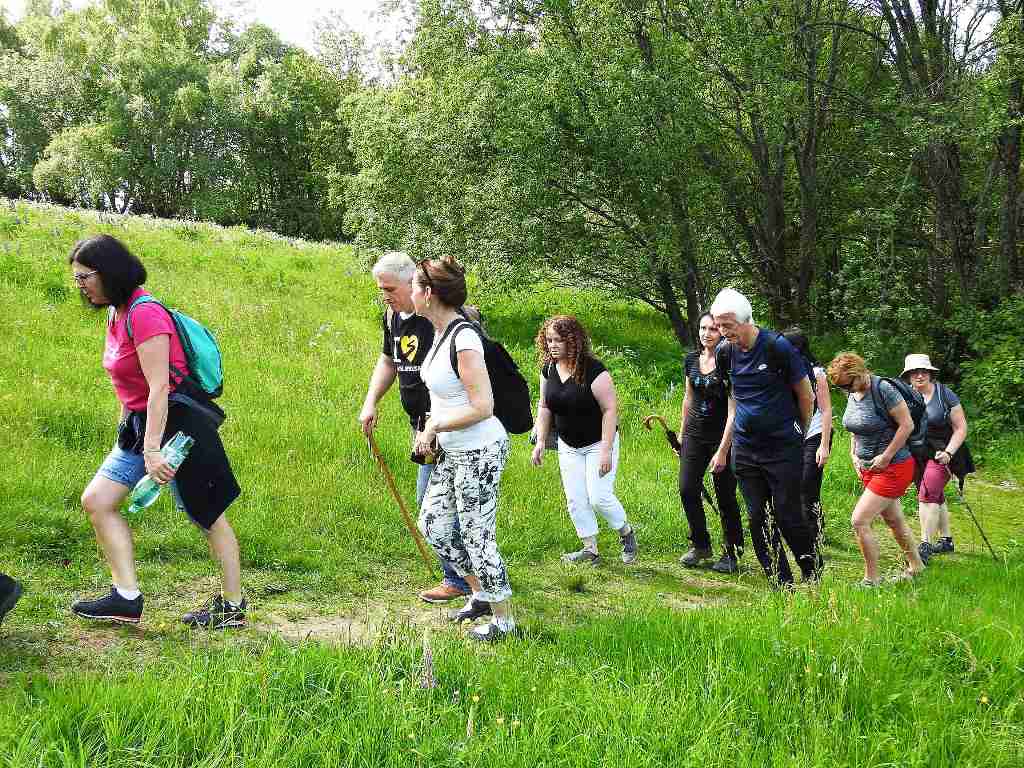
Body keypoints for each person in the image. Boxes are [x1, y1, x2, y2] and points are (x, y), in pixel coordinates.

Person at [69, 235, 245, 628]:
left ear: (109, 273)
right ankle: (126, 598)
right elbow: (128, 384)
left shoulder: (145, 314)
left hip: (180, 428)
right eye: (77, 278)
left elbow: (159, 387)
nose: (80, 285)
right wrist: (126, 428)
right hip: (140, 425)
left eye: (84, 277)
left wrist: (153, 452)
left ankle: (232, 608)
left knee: (206, 514)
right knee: (97, 501)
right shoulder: (117, 314)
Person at [357, 251, 471, 605]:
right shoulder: (393, 316)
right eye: (381, 290)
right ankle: (469, 576)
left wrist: (436, 426)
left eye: (390, 288)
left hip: (448, 425)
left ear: (413, 283)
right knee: (440, 504)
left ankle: (461, 580)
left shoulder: (435, 317)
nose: (385, 296)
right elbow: (389, 359)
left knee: (435, 504)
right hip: (422, 427)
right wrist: (371, 400)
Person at [413, 257, 515, 642]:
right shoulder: (439, 332)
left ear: (428, 293)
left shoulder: (464, 337)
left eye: (414, 287)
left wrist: (437, 425)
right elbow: (446, 395)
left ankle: (505, 622)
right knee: (434, 525)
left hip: (480, 450)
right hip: (452, 450)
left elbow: (482, 406)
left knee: (477, 534)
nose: (410, 293)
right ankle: (479, 594)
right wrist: (430, 428)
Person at [710, 289, 820, 587]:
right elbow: (734, 401)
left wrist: (800, 432)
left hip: (783, 446)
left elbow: (806, 394)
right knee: (757, 517)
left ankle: (812, 571)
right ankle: (780, 582)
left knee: (786, 515)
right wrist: (723, 450)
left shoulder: (777, 347)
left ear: (745, 321)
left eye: (727, 325)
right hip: (745, 449)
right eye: (719, 326)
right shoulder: (725, 353)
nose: (722, 332)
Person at [530, 316, 638, 565]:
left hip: (598, 443)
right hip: (569, 445)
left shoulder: (594, 370)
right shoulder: (548, 369)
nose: (553, 345)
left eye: (558, 340)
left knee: (598, 496)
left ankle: (626, 532)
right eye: (549, 340)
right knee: (576, 499)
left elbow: (610, 410)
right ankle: (590, 549)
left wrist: (606, 451)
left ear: (573, 341)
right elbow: (545, 405)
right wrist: (540, 441)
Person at [828, 352, 926, 585]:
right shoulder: (853, 393)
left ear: (860, 372)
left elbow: (907, 425)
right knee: (894, 520)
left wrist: (886, 455)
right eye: (842, 388)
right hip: (868, 468)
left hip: (894, 466)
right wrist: (853, 452)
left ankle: (871, 579)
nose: (847, 391)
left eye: (848, 385)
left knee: (859, 521)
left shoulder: (883, 390)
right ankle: (917, 565)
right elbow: (854, 425)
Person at [676, 312, 744, 573]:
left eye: (713, 329)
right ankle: (700, 545)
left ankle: (732, 552)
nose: (707, 333)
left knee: (725, 495)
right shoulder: (692, 360)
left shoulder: (729, 363)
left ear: (722, 332)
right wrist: (682, 435)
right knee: (687, 489)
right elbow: (688, 398)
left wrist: (723, 450)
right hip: (694, 434)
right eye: (703, 328)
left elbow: (733, 411)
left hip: (722, 436)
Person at [901, 353, 970, 558]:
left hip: (946, 451)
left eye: (923, 372)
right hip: (918, 453)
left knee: (928, 492)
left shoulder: (944, 394)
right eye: (914, 372)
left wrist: (949, 452)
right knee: (934, 494)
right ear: (908, 376)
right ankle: (946, 541)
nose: (919, 376)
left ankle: (925, 547)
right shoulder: (905, 395)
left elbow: (961, 427)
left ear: (930, 374)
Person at [784, 330, 832, 563]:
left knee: (807, 486)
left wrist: (824, 445)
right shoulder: (785, 371)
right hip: (794, 435)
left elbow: (826, 410)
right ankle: (810, 528)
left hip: (814, 434)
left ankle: (814, 535)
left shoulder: (817, 373)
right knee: (796, 486)